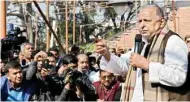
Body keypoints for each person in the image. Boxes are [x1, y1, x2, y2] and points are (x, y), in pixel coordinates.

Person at [95, 4, 189, 101]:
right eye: (139, 21)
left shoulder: (172, 41)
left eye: (147, 21)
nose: (142, 25)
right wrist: (106, 54)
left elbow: (178, 76)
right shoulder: (142, 44)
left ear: (161, 23)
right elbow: (123, 66)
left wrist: (147, 65)